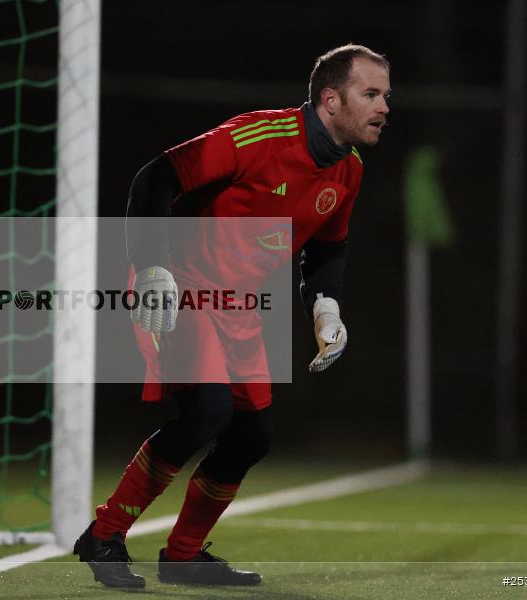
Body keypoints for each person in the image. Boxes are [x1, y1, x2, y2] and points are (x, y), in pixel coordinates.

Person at [74, 44, 391, 589]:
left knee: (251, 437)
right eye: (372, 94)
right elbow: (156, 178)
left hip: (238, 305)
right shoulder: (257, 137)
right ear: (331, 99)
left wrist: (325, 307)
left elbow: (326, 250)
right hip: (179, 285)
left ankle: (182, 557)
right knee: (207, 411)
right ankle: (103, 535)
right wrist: (150, 267)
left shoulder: (350, 171)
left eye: (387, 95)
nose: (385, 106)